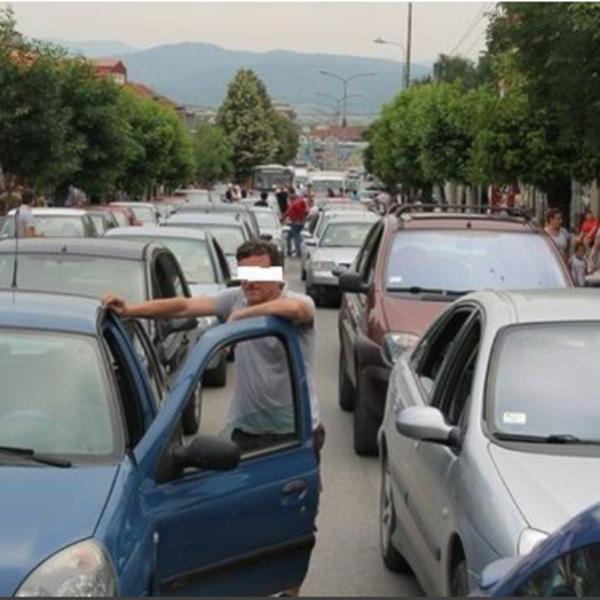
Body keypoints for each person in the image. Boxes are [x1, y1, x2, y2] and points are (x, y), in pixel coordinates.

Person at [101, 239, 324, 458]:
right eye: (245, 274)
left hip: (295, 430)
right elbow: (184, 306)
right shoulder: (236, 298)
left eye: (259, 274)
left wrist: (241, 315)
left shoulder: (297, 302)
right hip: (246, 428)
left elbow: (297, 310)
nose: (250, 282)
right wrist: (129, 309)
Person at [283, 190, 308, 258]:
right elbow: (306, 212)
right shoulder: (302, 202)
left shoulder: (294, 204)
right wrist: (303, 218)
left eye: (289, 200)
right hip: (301, 222)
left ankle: (297, 253)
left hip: (295, 223)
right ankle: (291, 252)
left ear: (292, 199)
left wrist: (282, 217)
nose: (289, 201)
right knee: (292, 236)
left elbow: (287, 212)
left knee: (295, 238)